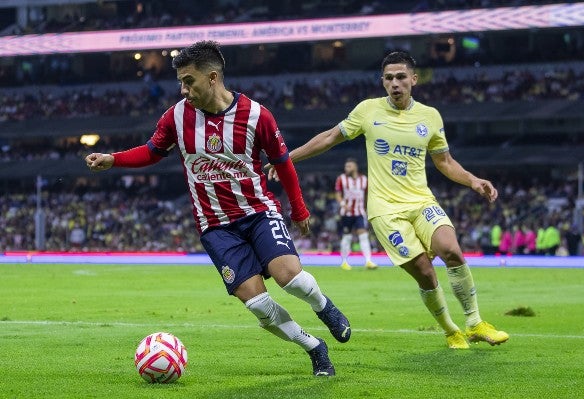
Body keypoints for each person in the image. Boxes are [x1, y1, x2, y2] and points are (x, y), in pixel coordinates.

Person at [85, 40, 351, 376]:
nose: (183, 90)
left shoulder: (257, 116)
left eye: (189, 81)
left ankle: (323, 307)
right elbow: (153, 151)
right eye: (181, 82)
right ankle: (315, 348)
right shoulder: (176, 117)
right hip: (216, 227)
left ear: (212, 77)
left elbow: (283, 163)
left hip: (258, 213)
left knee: (290, 279)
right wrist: (114, 159)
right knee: (258, 305)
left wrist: (298, 209)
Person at [269, 50, 508, 349]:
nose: (395, 83)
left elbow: (445, 162)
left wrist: (472, 179)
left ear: (414, 79)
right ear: (382, 81)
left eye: (401, 77)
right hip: (385, 210)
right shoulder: (368, 111)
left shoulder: (430, 116)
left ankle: (475, 323)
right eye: (389, 78)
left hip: (421, 201)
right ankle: (450, 330)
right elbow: (330, 137)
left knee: (452, 250)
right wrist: (287, 159)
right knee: (424, 271)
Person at [335, 157, 377, 270]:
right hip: (346, 213)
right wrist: (343, 204)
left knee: (363, 235)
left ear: (355, 167)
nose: (346, 168)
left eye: (349, 166)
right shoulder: (341, 179)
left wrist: (367, 209)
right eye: (346, 166)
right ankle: (344, 262)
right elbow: (338, 194)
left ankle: (368, 261)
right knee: (347, 237)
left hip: (359, 212)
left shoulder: (364, 179)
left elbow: (367, 196)